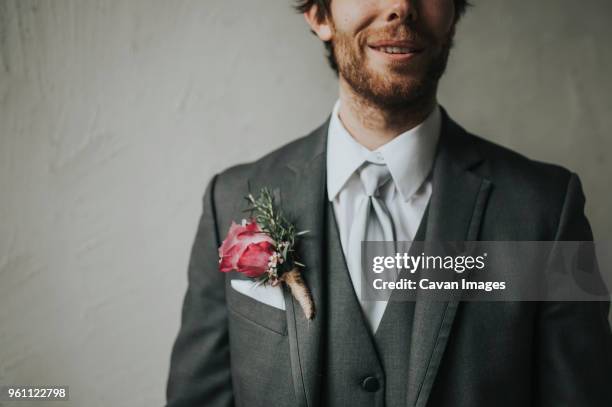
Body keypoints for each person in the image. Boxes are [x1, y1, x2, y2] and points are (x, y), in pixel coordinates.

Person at [166, 1, 612, 406]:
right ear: (320, 15)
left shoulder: (548, 209)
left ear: (453, 14)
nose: (401, 6)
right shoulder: (229, 199)